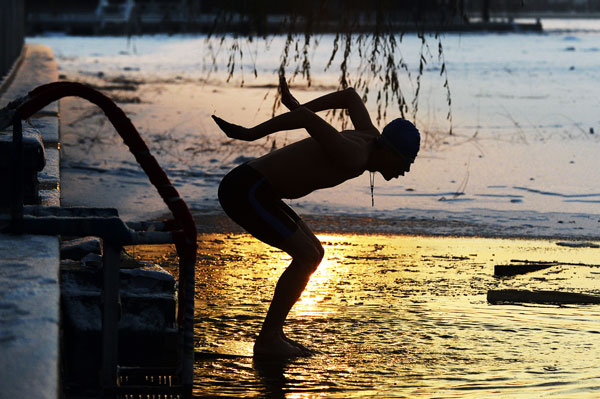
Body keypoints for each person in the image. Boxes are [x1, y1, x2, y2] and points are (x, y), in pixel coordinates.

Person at [212, 77, 420, 357]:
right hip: (246, 190)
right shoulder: (355, 155)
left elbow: (349, 97)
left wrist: (297, 106)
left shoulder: (370, 136)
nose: (405, 171)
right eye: (405, 163)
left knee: (314, 253)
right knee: (308, 256)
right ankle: (268, 339)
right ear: (390, 151)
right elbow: (307, 119)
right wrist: (252, 133)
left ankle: (273, 334)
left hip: (259, 189)